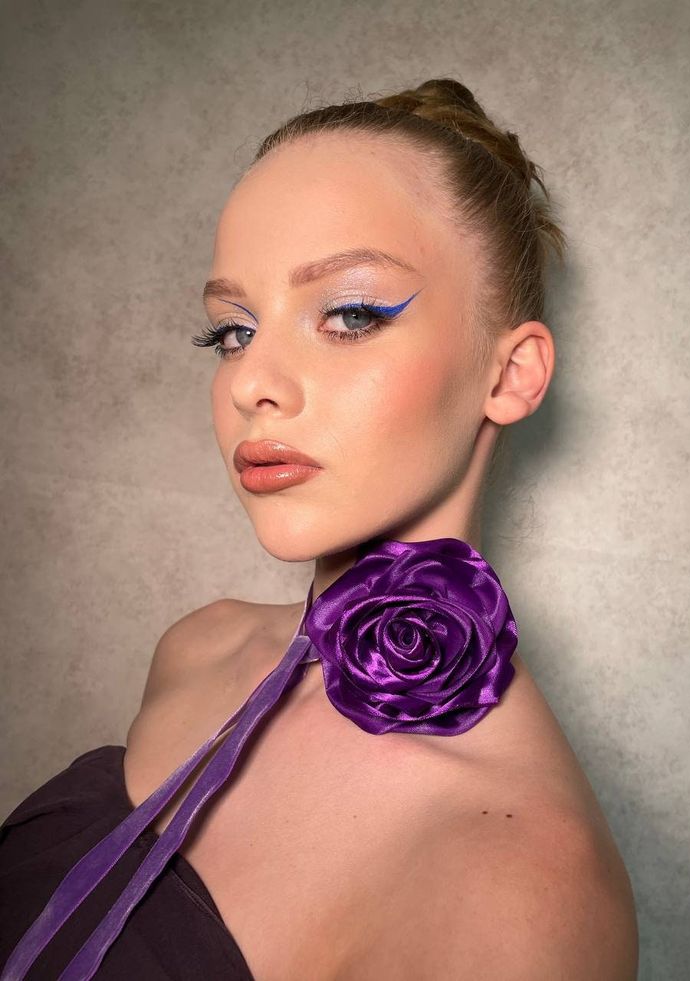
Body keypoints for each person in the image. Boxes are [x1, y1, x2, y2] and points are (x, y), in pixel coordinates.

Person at [0, 77, 639, 980]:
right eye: (231, 331)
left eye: (348, 314)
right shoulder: (198, 646)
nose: (252, 381)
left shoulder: (527, 893)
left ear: (513, 373)